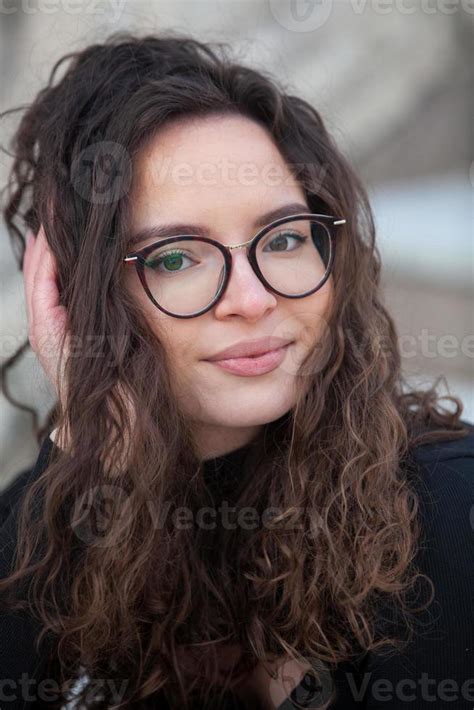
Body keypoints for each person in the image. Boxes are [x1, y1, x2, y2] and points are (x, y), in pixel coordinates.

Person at [0, 31, 472, 710]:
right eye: (176, 257)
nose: (252, 299)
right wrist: (92, 447)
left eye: (283, 239)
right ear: (80, 295)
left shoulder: (450, 507)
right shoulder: (36, 520)